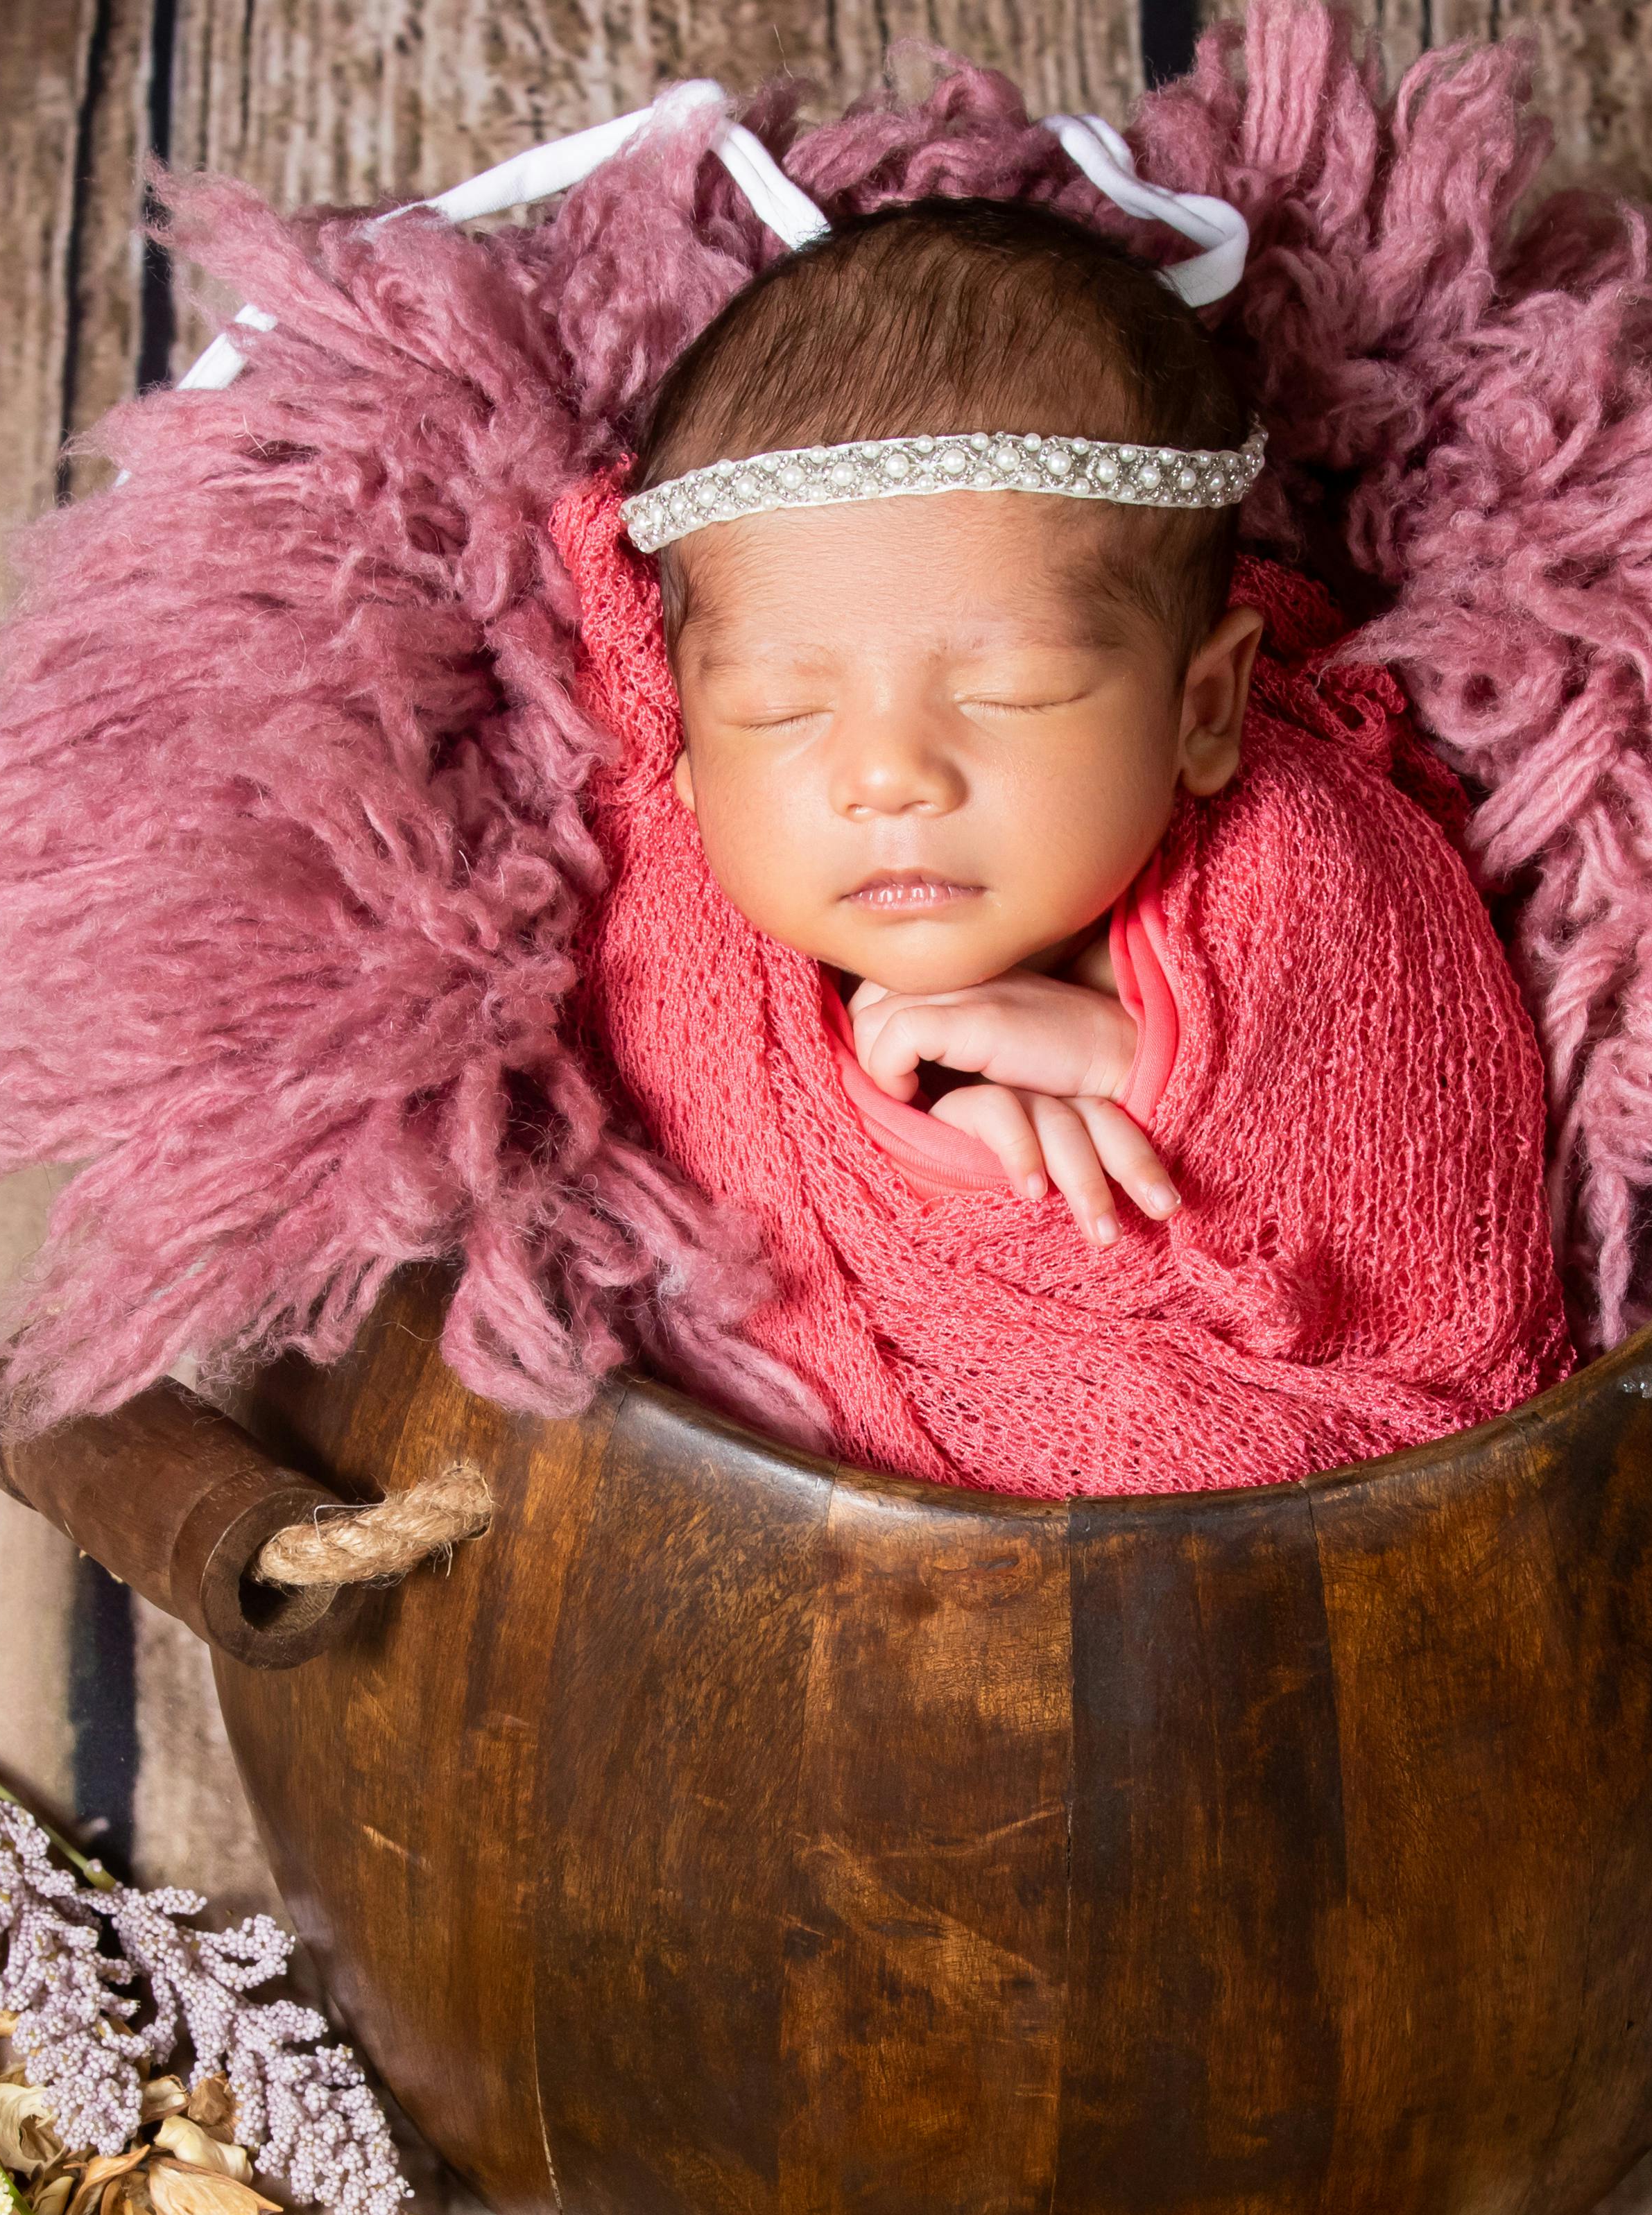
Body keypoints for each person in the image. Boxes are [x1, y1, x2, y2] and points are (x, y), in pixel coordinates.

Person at [554, 193, 1573, 1497]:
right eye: (778, 710)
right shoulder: (675, 947)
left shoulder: (1308, 873)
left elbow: (1418, 1158)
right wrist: (939, 1146)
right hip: (799, 1577)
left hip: (1309, 1563)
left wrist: (1130, 1067)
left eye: (1011, 694)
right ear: (689, 757)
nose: (888, 774)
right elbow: (675, 1241)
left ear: (1201, 708)